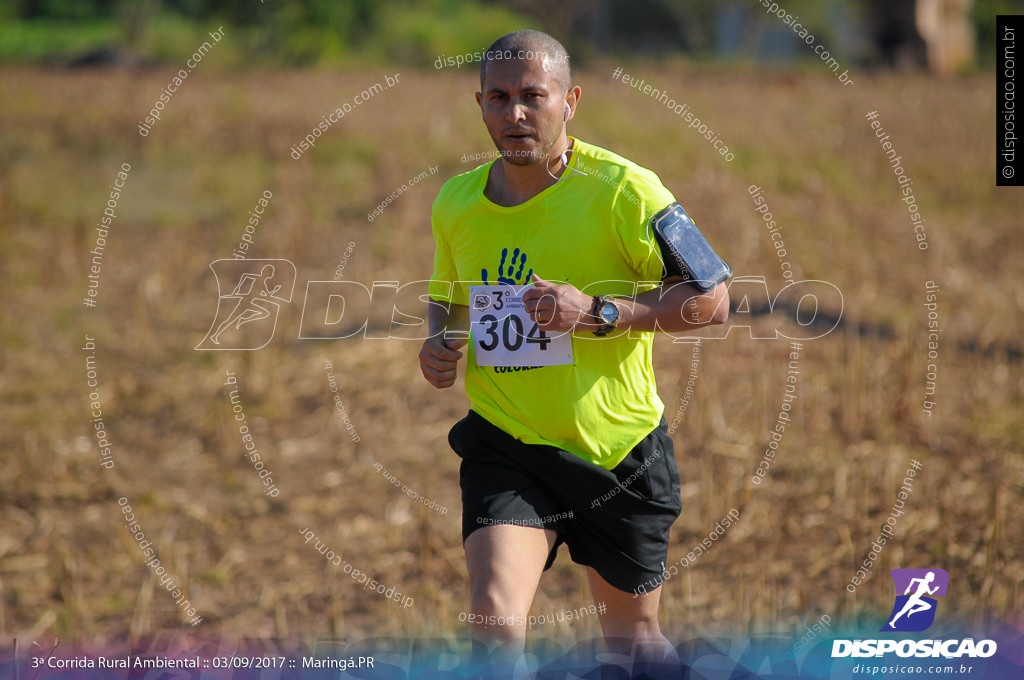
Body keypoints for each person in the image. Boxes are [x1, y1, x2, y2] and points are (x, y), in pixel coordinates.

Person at [418, 29, 730, 672]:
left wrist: (598, 313)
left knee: (634, 644)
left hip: (619, 450)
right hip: (507, 443)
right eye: (499, 98)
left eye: (534, 95)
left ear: (571, 99)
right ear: (479, 104)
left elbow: (714, 298)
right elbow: (447, 293)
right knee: (495, 621)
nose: (516, 114)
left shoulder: (627, 189)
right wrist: (437, 340)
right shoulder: (455, 201)